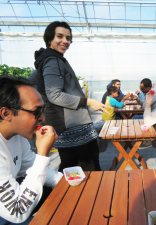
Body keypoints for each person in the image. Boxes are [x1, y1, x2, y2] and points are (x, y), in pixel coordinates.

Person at [32, 21, 106, 172]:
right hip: (73, 127)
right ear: (49, 38)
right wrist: (88, 101)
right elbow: (54, 95)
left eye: (68, 38)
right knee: (89, 168)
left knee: (70, 167)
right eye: (60, 36)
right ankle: (94, 195)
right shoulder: (53, 61)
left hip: (65, 126)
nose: (65, 41)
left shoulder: (51, 59)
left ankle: (71, 195)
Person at [0, 76, 62, 224]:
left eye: (43, 110)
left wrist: (64, 181)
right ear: (6, 114)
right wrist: (43, 154)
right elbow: (17, 211)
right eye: (36, 112)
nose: (43, 118)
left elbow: (31, 166)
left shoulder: (17, 137)